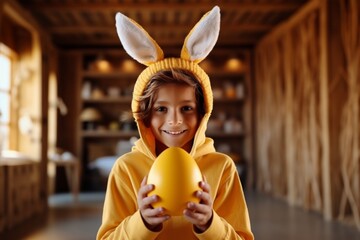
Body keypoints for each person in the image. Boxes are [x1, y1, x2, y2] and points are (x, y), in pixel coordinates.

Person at [97, 6, 254, 240]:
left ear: (203, 113)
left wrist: (210, 224)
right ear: (145, 115)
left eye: (187, 108)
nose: (175, 120)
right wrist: (142, 222)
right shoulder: (125, 170)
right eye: (161, 109)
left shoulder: (223, 168)